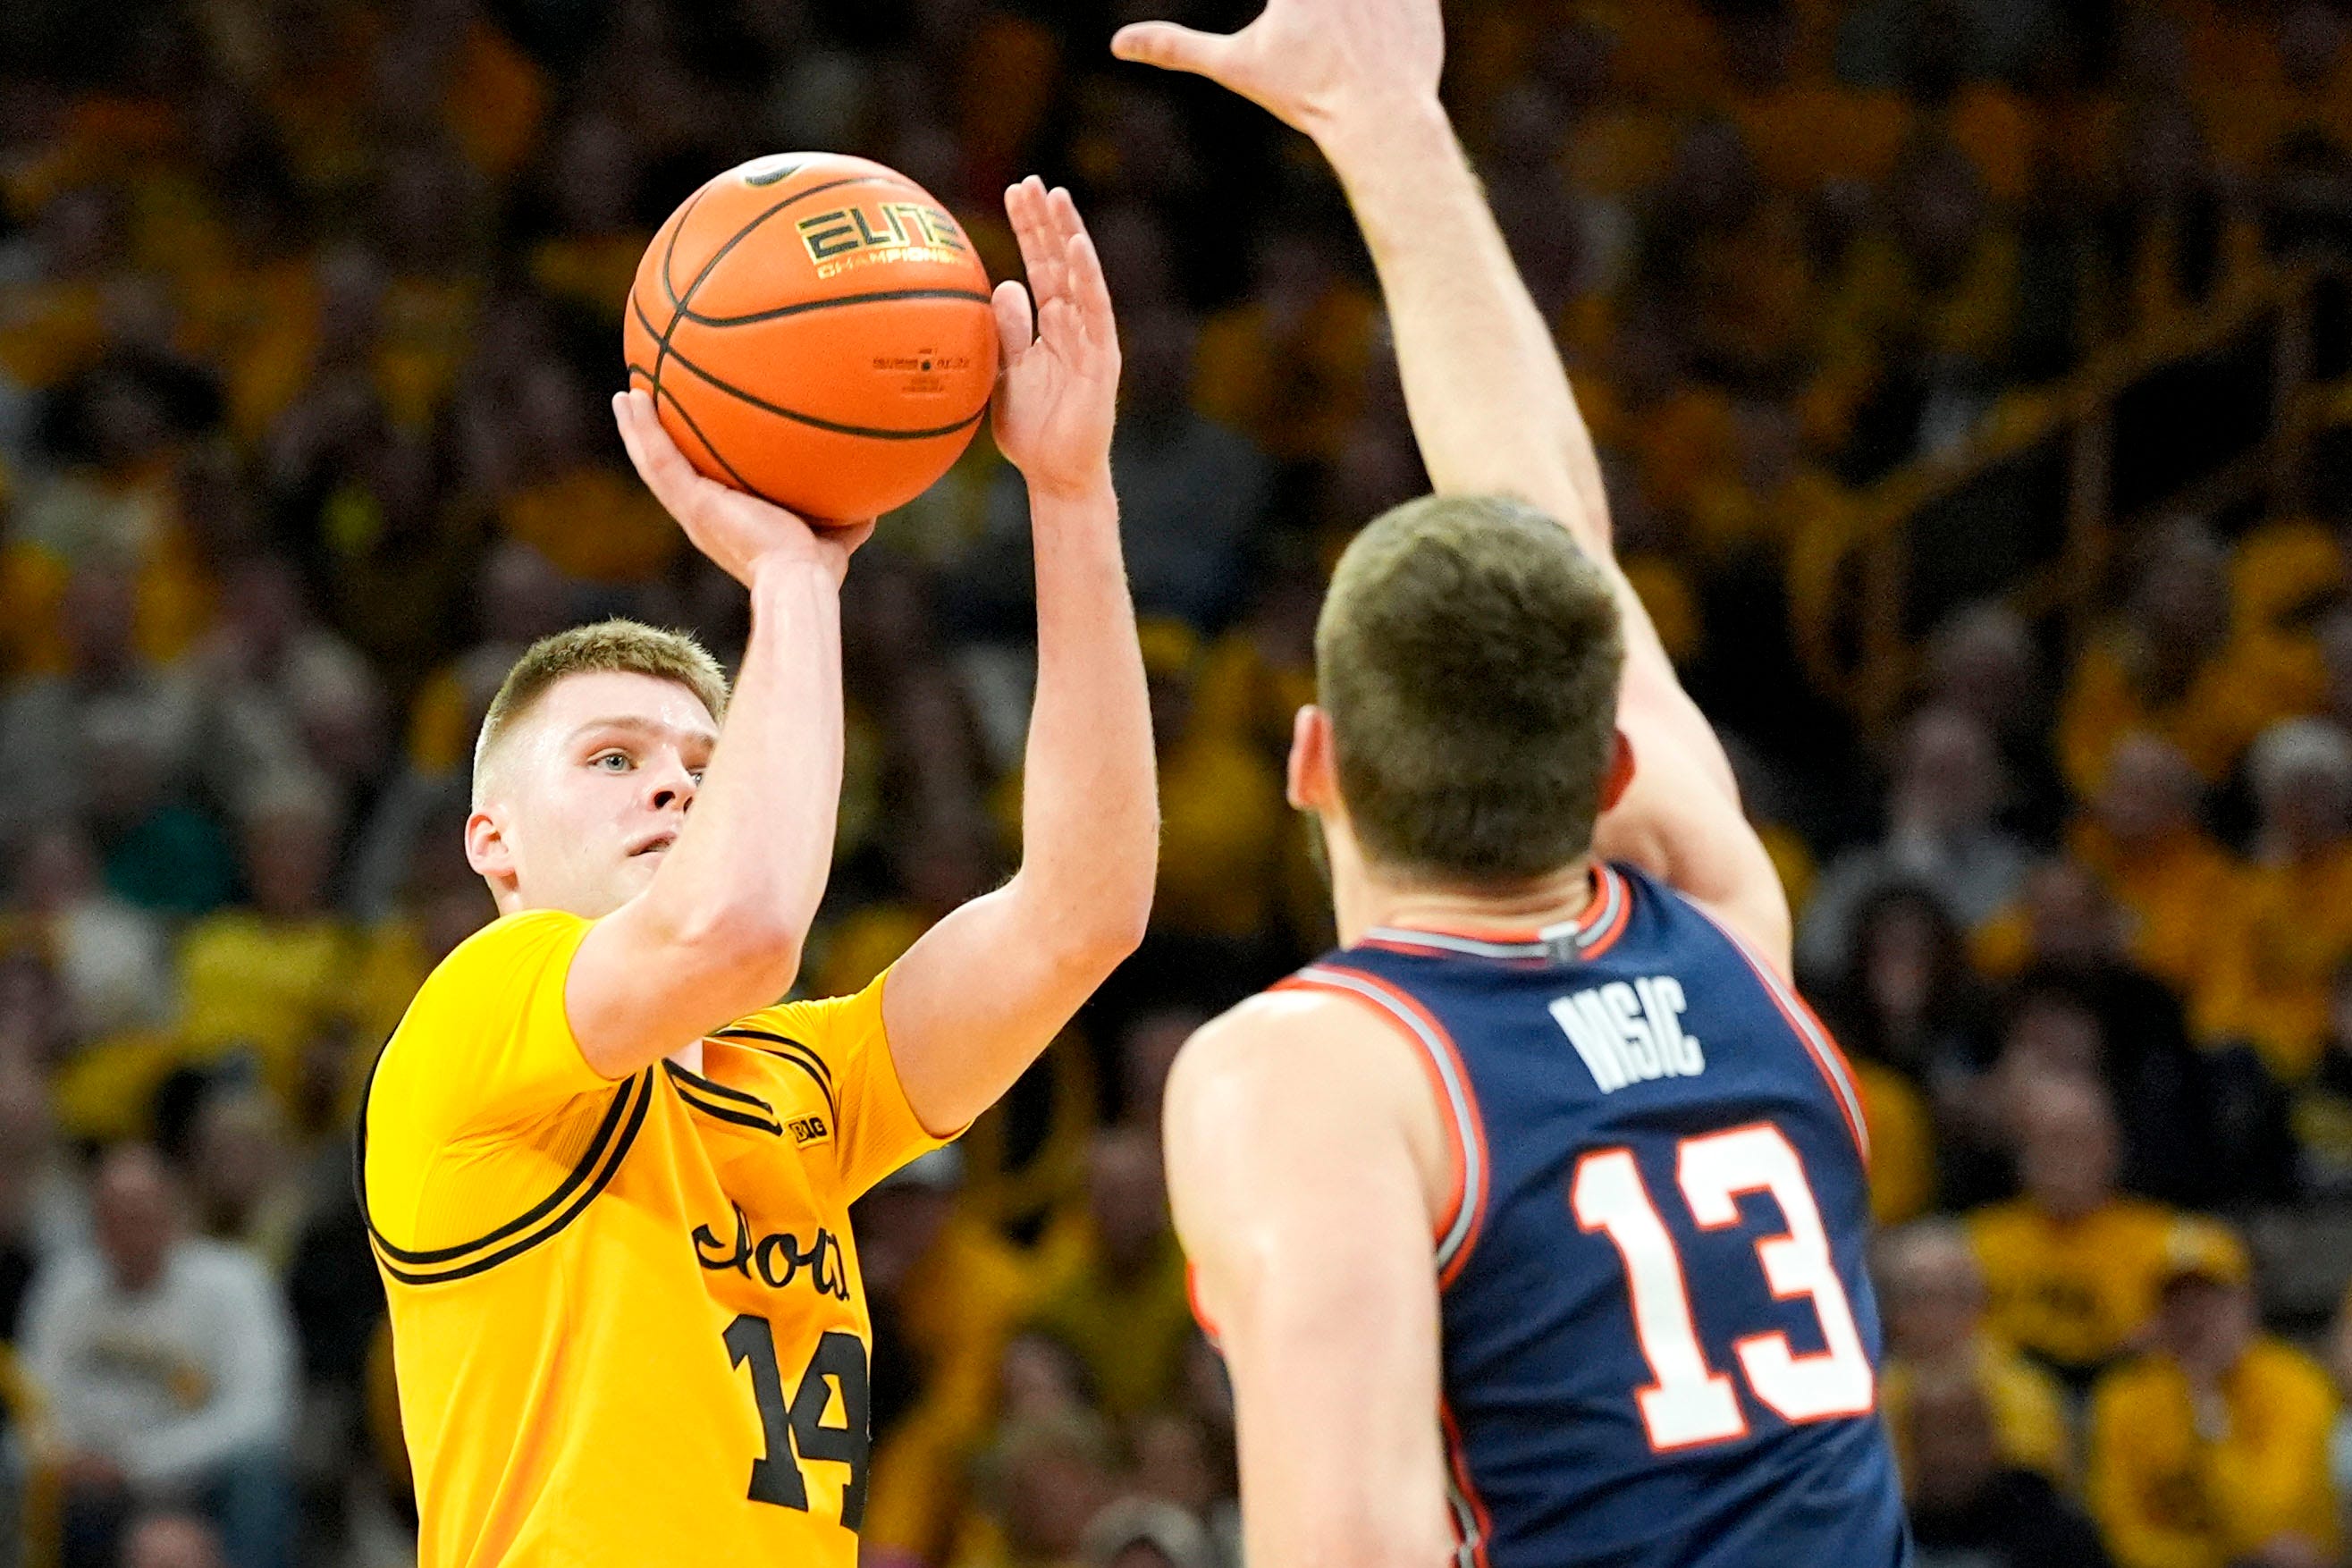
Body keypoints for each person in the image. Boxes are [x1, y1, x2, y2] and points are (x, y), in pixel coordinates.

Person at [1117, 3, 1905, 1564]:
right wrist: (1393, 128)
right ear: (1608, 764)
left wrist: (1377, 129)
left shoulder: (1312, 1072)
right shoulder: (1720, 918)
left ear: (1310, 760)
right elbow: (1552, 518)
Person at [358, 179, 1155, 1568]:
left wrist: (1070, 492)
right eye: (612, 757)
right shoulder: (473, 1018)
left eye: (703, 759)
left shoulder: (801, 1088)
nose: (673, 782)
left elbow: (1078, 915)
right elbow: (737, 929)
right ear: (493, 840)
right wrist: (793, 583)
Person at [21, 1145, 296, 1568]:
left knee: (257, 1474)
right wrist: (73, 1458)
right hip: (92, 1479)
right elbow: (36, 1402)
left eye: (142, 1213)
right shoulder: (63, 1288)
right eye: (114, 1215)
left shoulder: (236, 1281)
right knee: (28, 1476)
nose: (130, 1230)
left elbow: (260, 1414)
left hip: (205, 1477)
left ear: (176, 1212)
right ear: (95, 1222)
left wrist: (140, 1462)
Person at [2086, 1218, 2340, 1568]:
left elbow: (2269, 1520)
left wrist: (2208, 1413)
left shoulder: (2297, 1383)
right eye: (2178, 1301)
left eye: (2210, 1299)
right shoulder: (2126, 1397)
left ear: (2247, 1303)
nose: (2195, 1318)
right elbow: (2121, 1534)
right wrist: (2212, 1559)